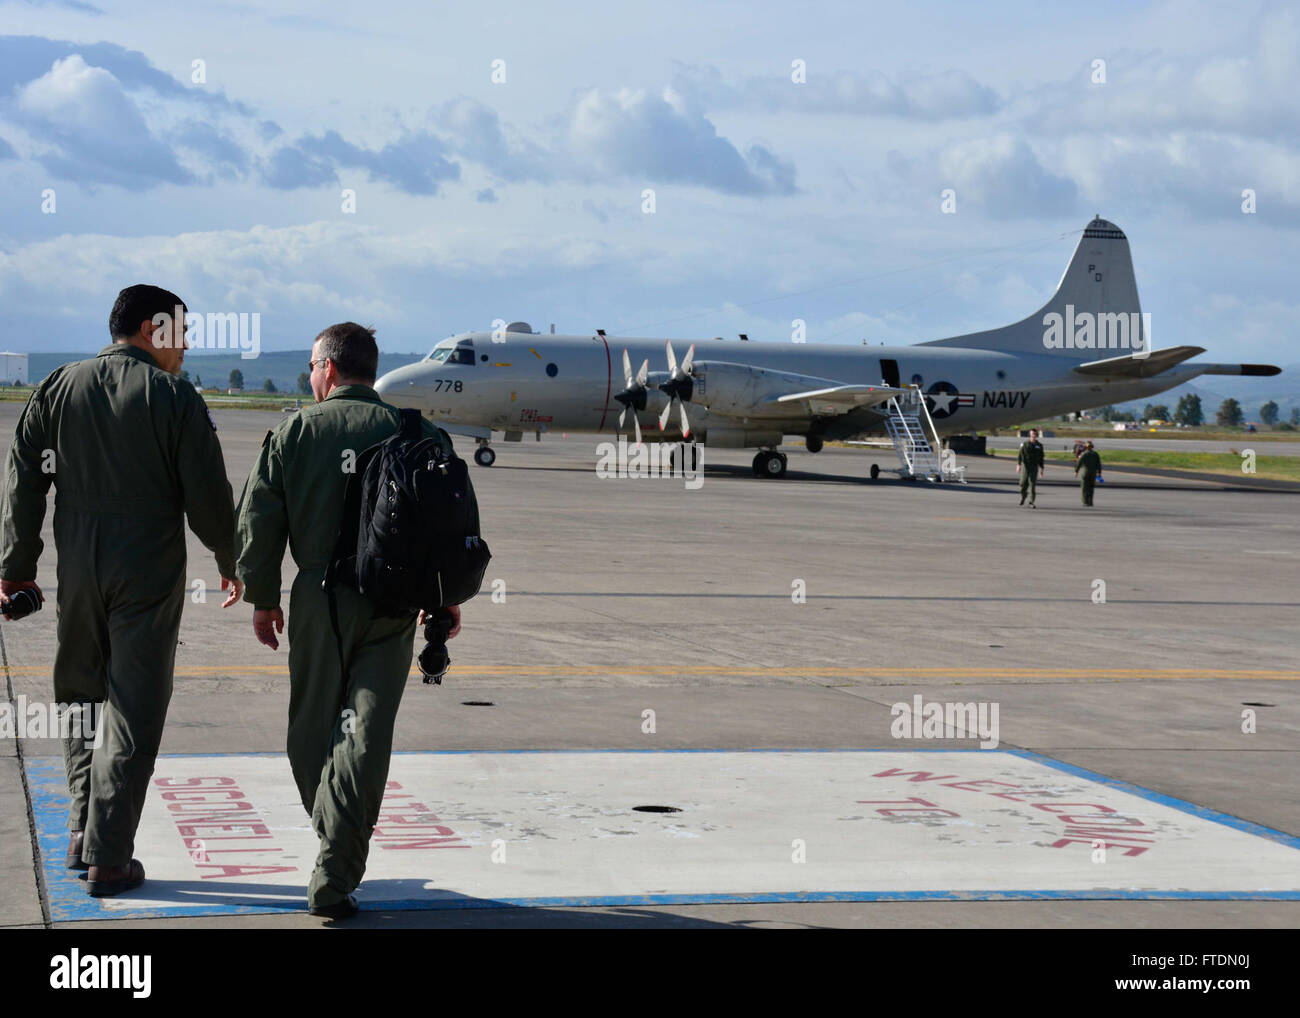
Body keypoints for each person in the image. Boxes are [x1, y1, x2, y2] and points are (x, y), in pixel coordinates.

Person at [0, 284, 240, 897]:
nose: (184, 348)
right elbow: (208, 494)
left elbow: (24, 475)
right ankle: (110, 854)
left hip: (78, 561)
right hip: (147, 566)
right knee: (133, 705)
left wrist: (16, 564)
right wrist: (233, 557)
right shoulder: (175, 397)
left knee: (80, 694)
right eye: (181, 334)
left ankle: (82, 830)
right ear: (153, 330)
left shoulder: (58, 387)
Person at [235, 322, 466, 919]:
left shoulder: (295, 431)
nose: (310, 377)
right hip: (395, 603)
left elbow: (259, 519)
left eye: (312, 366)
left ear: (329, 370)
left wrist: (264, 596)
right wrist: (445, 600)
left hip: (319, 596)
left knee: (311, 728)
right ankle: (338, 860)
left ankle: (335, 855)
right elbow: (450, 527)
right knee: (368, 729)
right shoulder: (421, 433)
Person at [1016, 428, 1045, 507]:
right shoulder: (1024, 444)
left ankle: (1031, 502)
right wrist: (1018, 465)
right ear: (1030, 435)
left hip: (1034, 467)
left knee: (1032, 484)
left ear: (1036, 435)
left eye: (1035, 434)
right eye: (1032, 434)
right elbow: (1020, 455)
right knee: (1022, 484)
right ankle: (1023, 496)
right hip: (1025, 466)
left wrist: (1042, 469)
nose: (1034, 435)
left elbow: (1041, 458)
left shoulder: (1039, 446)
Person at [1076, 440, 1103, 506]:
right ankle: (1090, 502)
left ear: (1086, 447)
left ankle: (1085, 502)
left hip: (1085, 473)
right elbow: (1098, 464)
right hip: (1093, 473)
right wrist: (1099, 473)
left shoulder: (1084, 454)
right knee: (1091, 488)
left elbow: (1079, 463)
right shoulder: (1095, 454)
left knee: (1085, 488)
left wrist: (1076, 471)